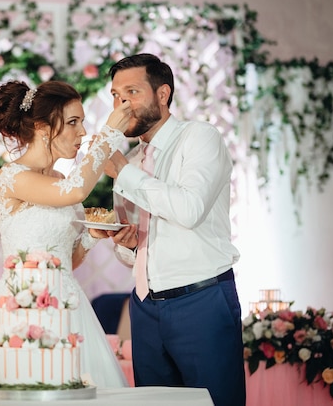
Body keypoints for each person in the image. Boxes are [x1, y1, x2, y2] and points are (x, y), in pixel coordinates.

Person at [0, 80, 132, 388]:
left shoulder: (59, 178)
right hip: (21, 309)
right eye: (73, 122)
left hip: (66, 307)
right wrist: (110, 134)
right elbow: (74, 190)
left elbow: (66, 261)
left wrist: (90, 236)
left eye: (83, 122)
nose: (82, 132)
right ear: (43, 127)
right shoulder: (12, 177)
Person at [101, 53, 245, 406]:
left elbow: (189, 209)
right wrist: (126, 243)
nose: (122, 106)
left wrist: (124, 173)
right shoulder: (131, 161)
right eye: (116, 97)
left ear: (162, 94)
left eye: (131, 93)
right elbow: (133, 244)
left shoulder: (199, 137)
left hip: (202, 299)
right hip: (145, 306)